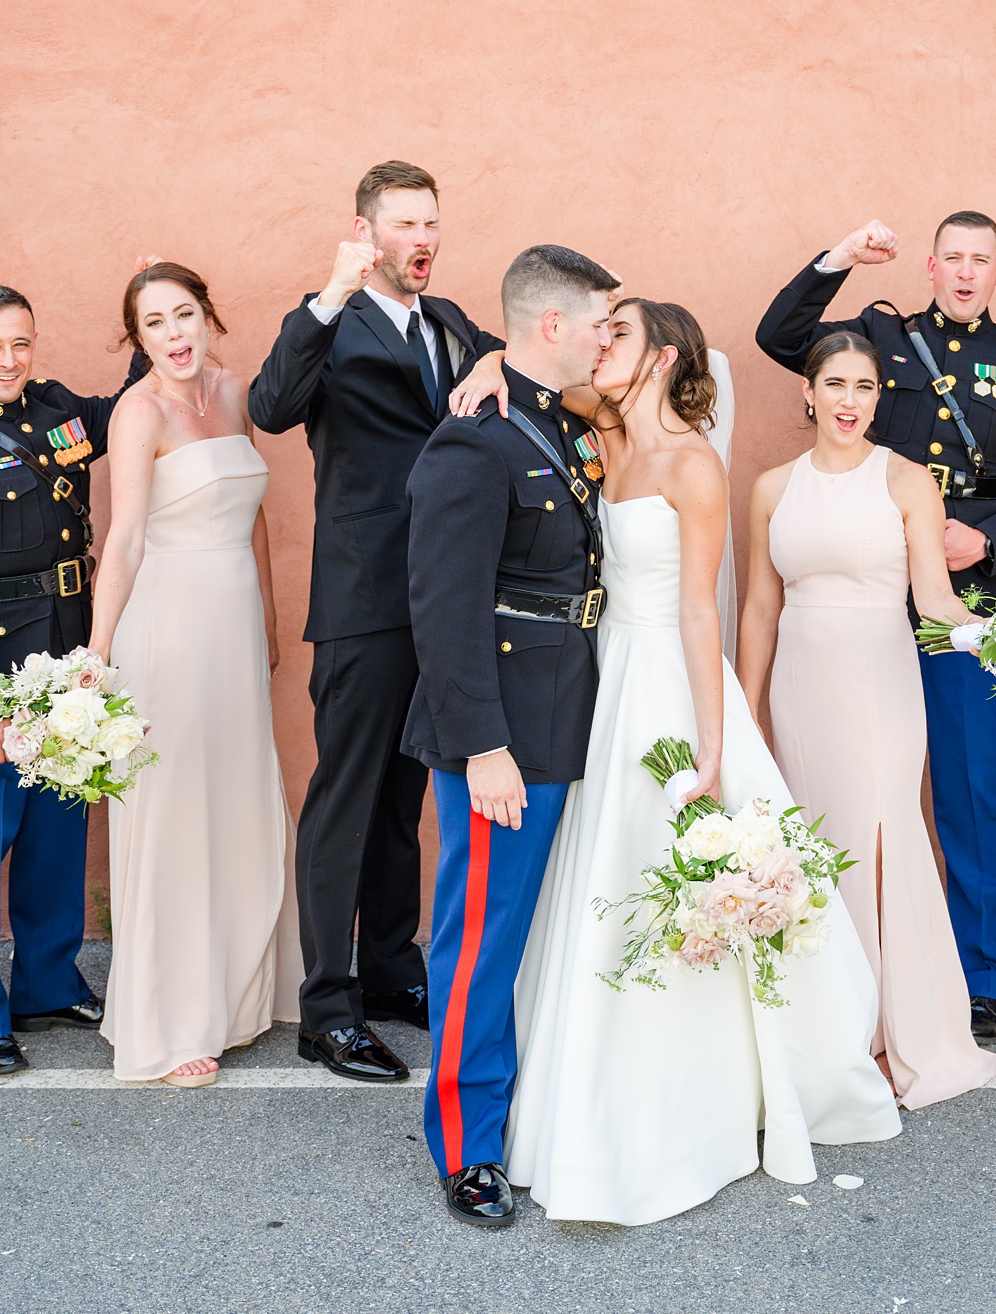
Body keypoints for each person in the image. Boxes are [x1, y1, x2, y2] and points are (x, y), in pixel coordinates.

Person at [508, 299, 898, 1223]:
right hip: (603, 678)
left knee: (665, 865)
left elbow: (696, 611)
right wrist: (493, 365)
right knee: (602, 871)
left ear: (664, 357)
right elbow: (549, 379)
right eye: (600, 333)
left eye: (619, 335)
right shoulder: (606, 429)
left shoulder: (691, 464)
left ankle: (694, 1098)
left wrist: (714, 742)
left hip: (664, 686)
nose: (600, 346)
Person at [756, 214, 996, 1039]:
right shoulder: (877, 339)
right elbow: (781, 335)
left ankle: (982, 975)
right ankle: (854, 963)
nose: (966, 274)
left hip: (969, 577)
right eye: (953, 259)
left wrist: (992, 537)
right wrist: (838, 260)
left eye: (982, 262)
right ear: (931, 265)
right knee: (853, 787)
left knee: (977, 788)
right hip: (866, 567)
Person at [248, 161, 506, 1081]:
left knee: (406, 798)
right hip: (364, 598)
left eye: (432, 223)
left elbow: (501, 383)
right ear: (365, 231)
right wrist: (329, 292)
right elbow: (270, 406)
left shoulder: (452, 324)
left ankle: (395, 972)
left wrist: (491, 355)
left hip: (446, 596)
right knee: (348, 796)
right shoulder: (330, 319)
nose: (423, 240)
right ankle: (327, 1006)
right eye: (404, 225)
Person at [403, 244, 617, 1229]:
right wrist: (481, 742)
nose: (607, 338)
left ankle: (495, 1103)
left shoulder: (547, 425)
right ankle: (465, 1143)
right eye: (598, 323)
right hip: (501, 734)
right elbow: (444, 604)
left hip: (558, 709)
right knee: (480, 939)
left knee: (514, 933)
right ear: (549, 327)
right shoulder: (476, 442)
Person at [737, 330, 996, 1108]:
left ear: (878, 400)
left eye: (865, 387)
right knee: (815, 840)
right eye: (837, 385)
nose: (851, 401)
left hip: (882, 682)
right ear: (809, 393)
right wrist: (749, 708)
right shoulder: (772, 487)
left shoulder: (909, 481)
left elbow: (936, 602)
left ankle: (890, 1034)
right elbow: (760, 605)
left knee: (881, 841)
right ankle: (830, 1032)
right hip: (799, 685)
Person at [85, 264, 302, 1087]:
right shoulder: (138, 413)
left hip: (235, 623)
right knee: (174, 811)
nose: (174, 335)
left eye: (184, 316)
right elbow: (129, 537)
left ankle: (238, 996)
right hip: (168, 625)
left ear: (208, 317)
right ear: (135, 339)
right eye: (154, 324)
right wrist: (99, 654)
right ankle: (171, 1018)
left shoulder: (237, 391)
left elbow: (253, 524)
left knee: (236, 798)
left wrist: (270, 624)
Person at [0, 287, 140, 1075]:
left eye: (20, 344)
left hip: (62, 638)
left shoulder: (52, 409)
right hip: (1, 652)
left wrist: (139, 313)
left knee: (55, 826)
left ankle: (46, 984)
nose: (9, 362)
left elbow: (128, 408)